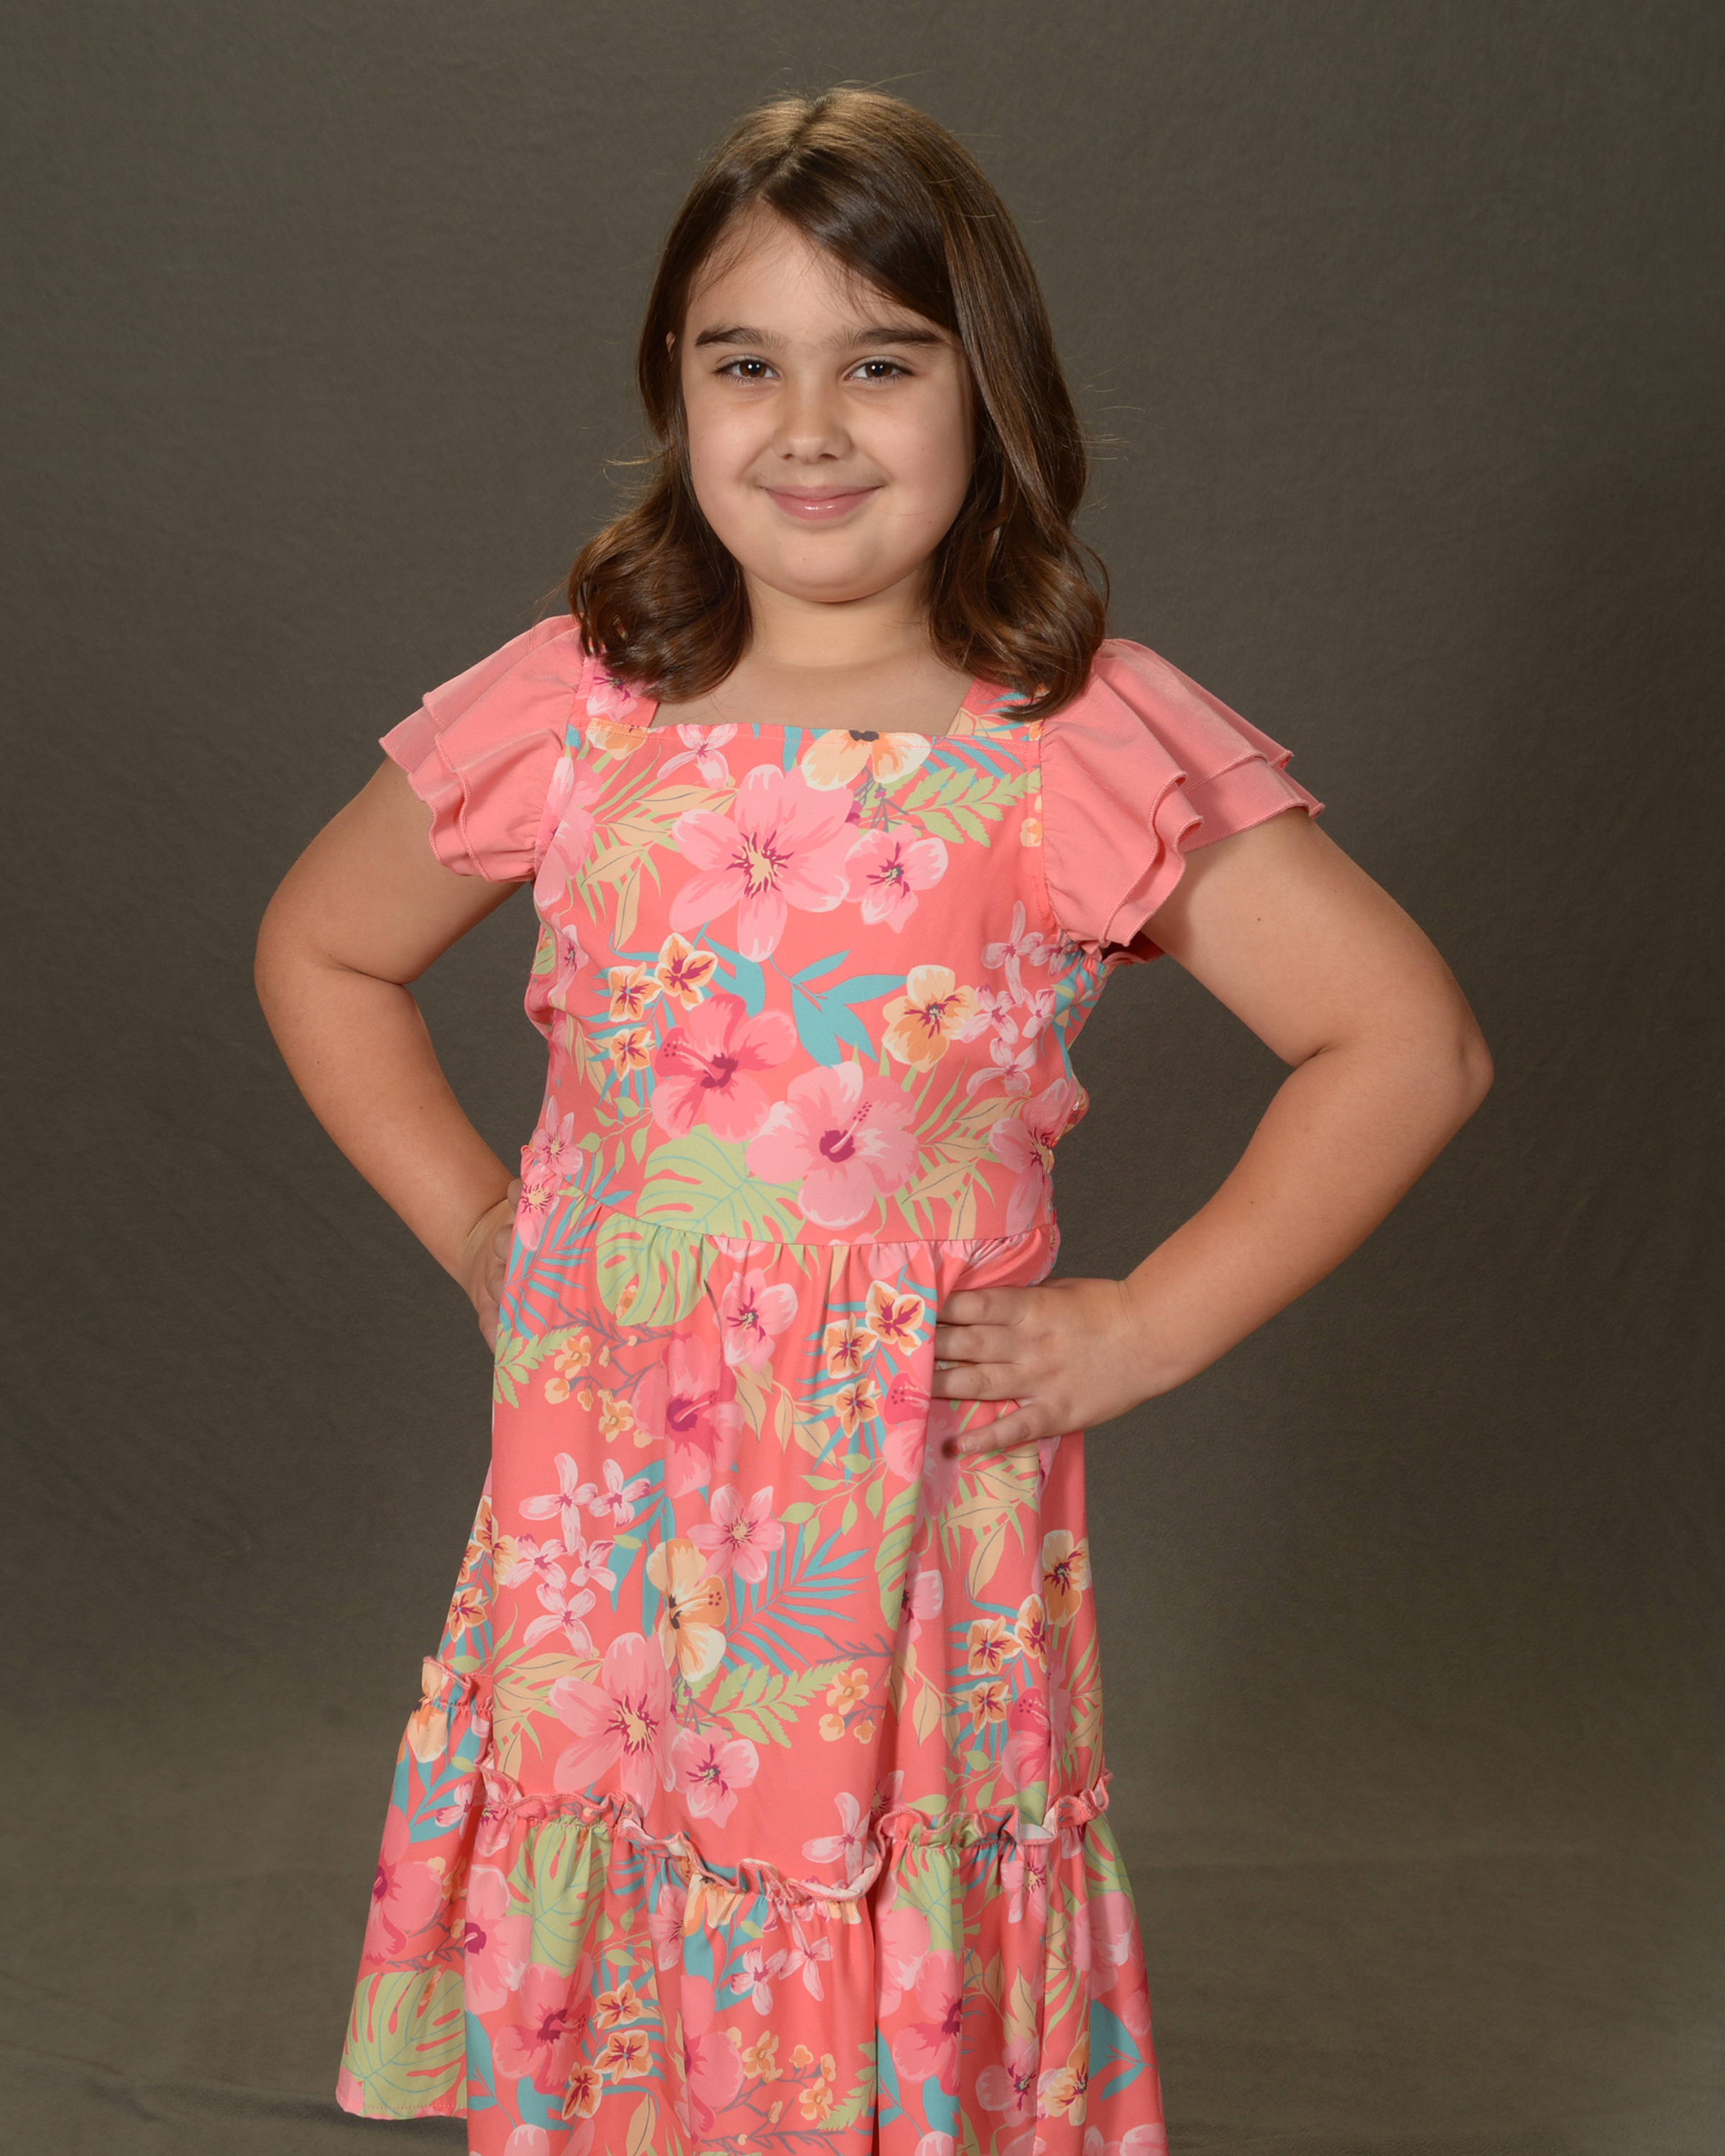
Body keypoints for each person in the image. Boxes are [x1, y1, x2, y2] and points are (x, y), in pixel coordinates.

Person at [255, 86, 1491, 2156]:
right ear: (673, 388)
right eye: (746, 364)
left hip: (893, 1504)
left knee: (860, 1868)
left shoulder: (1071, 740)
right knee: (636, 1859)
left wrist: (1144, 1327)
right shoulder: (581, 705)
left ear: (987, 389)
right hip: (608, 1490)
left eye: (883, 364)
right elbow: (322, 947)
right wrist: (483, 1228)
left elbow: (1402, 1043)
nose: (808, 427)